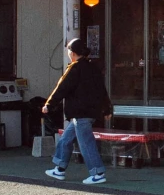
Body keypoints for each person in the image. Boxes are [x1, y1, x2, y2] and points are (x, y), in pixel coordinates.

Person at [43, 36, 112, 184]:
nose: (68, 54)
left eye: (69, 51)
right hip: (89, 112)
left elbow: (62, 88)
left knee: (86, 143)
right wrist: (107, 109)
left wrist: (49, 104)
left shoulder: (74, 68)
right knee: (66, 139)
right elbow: (102, 90)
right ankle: (59, 169)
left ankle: (97, 172)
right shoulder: (94, 68)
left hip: (80, 113)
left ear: (73, 53)